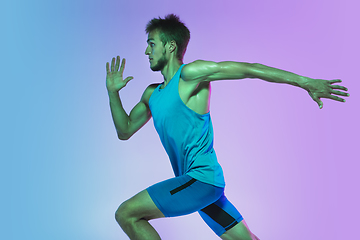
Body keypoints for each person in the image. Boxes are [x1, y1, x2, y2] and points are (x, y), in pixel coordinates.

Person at [105, 14, 349, 240]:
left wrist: (305, 82)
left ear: (170, 46)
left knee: (127, 213)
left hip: (200, 181)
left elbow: (249, 69)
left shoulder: (190, 75)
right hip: (198, 187)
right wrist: (113, 93)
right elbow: (124, 130)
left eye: (152, 44)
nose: (147, 51)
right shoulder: (151, 94)